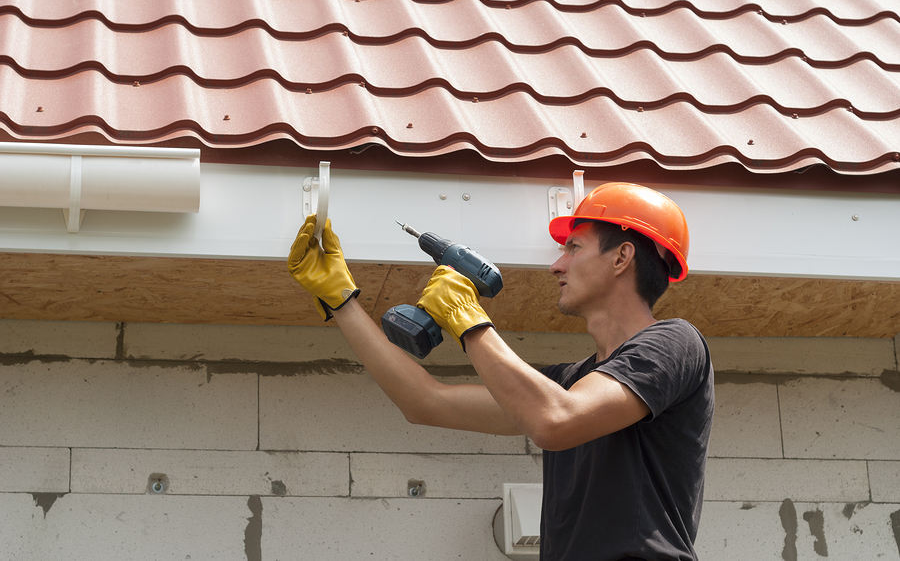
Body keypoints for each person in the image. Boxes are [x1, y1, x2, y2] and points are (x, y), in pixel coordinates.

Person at [288, 182, 714, 561]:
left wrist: (468, 318)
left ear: (622, 256)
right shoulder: (568, 384)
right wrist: (340, 299)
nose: (556, 266)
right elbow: (424, 402)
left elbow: (557, 420)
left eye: (575, 248)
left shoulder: (676, 343)